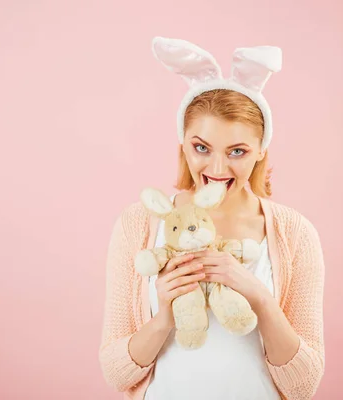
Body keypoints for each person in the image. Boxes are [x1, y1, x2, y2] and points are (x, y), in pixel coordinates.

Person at [99, 36, 325, 400]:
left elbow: (303, 384)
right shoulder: (140, 224)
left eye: (237, 150)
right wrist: (164, 318)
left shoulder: (294, 233)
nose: (217, 169)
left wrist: (258, 296)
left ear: (261, 151)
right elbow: (115, 369)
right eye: (201, 147)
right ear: (183, 143)